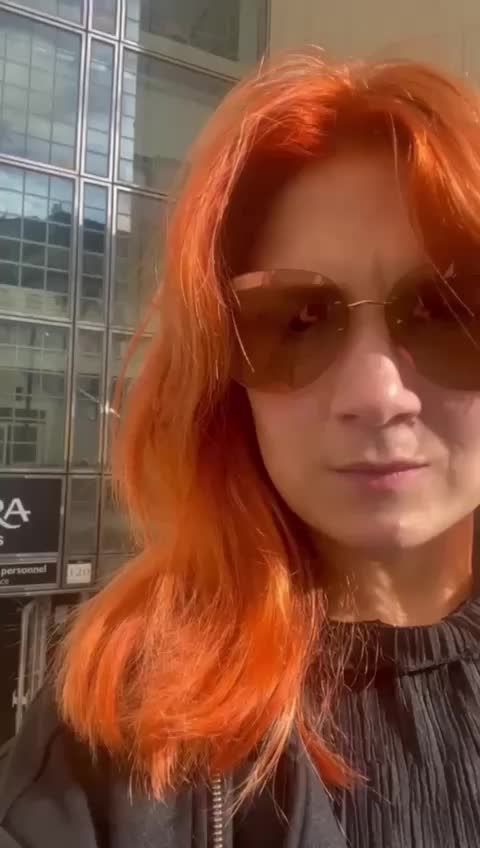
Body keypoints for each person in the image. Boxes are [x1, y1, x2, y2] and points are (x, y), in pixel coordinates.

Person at [2, 49, 480, 848]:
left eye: (449, 311)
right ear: (226, 380)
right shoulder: (121, 728)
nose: (375, 394)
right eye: (295, 321)